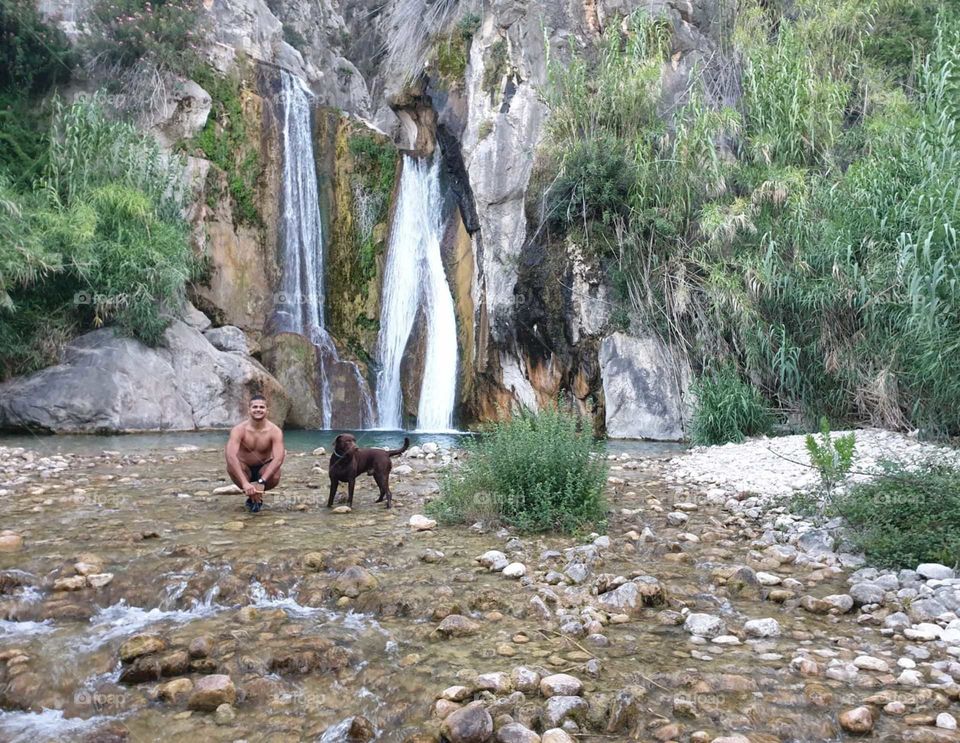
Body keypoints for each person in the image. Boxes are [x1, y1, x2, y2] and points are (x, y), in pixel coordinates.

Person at [225, 394, 285, 512]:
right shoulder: (239, 430)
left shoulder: (275, 431)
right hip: (244, 468)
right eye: (255, 407)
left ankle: (256, 495)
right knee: (231, 467)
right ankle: (253, 496)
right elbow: (230, 456)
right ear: (249, 410)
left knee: (276, 473)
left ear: (267, 410)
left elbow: (278, 458)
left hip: (263, 469)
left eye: (262, 407)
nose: (258, 409)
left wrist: (262, 481)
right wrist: (245, 484)